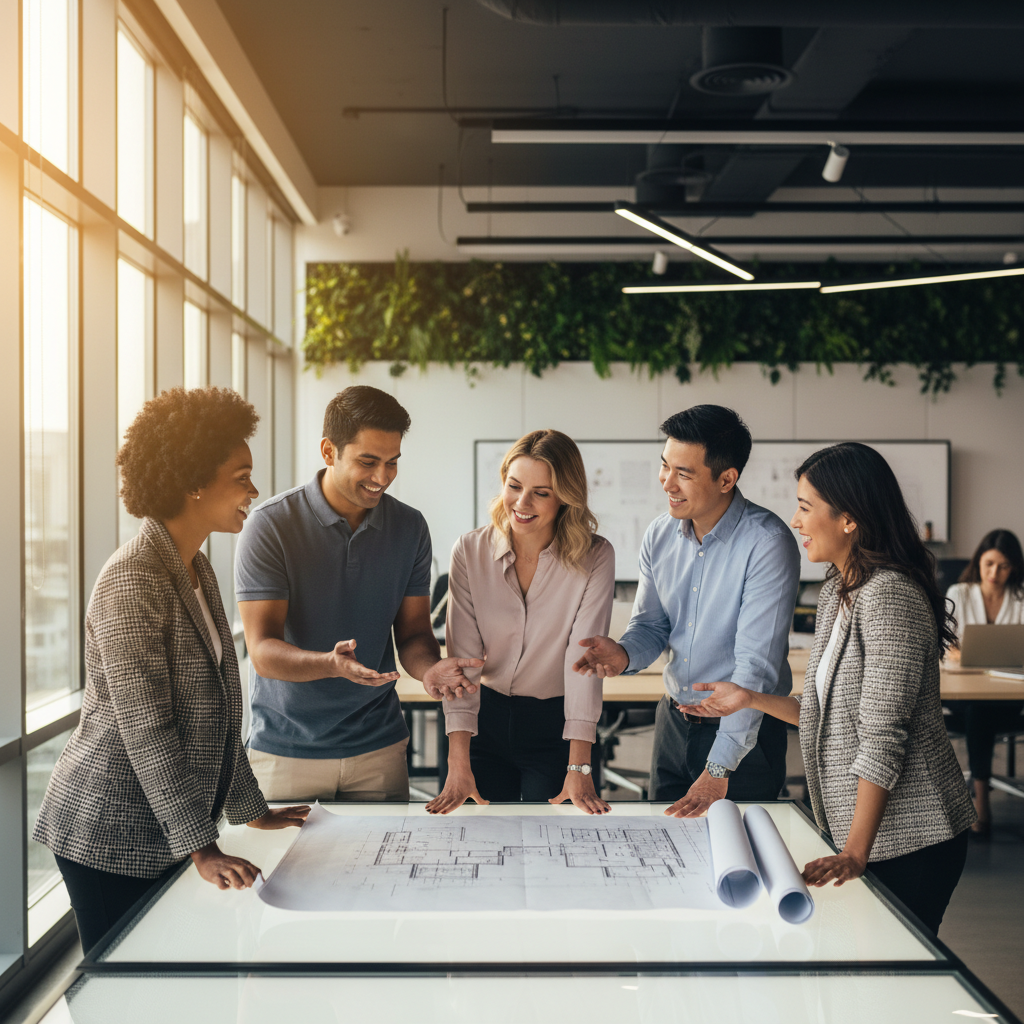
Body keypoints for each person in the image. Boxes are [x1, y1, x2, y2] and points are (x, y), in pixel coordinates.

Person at [33, 388, 309, 953]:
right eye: (241, 476)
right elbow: (148, 726)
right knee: (119, 992)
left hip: (164, 826)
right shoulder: (133, 578)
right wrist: (202, 847)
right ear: (194, 482)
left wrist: (252, 812)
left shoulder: (196, 569)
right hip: (109, 828)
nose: (253, 492)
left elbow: (215, 715)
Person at [679, 442, 975, 935]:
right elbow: (825, 715)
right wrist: (750, 698)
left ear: (849, 519)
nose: (795, 521)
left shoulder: (890, 597)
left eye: (804, 507)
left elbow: (882, 737)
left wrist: (854, 851)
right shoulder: (838, 595)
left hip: (914, 839)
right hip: (870, 838)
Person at [236, 386, 481, 803]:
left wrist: (429, 670)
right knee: (283, 870)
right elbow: (262, 651)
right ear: (329, 451)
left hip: (378, 748)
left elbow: (413, 636)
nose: (382, 477)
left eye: (392, 463)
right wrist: (330, 665)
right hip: (286, 751)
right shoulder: (271, 525)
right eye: (367, 462)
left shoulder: (409, 528)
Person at [572, 405, 800, 817]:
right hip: (674, 725)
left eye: (684, 473)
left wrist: (720, 765)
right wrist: (623, 654)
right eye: (664, 467)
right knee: (667, 857)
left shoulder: (767, 543)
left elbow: (755, 667)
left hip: (743, 737)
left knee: (740, 861)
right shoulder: (660, 534)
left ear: (727, 478)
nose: (667, 483)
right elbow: (652, 626)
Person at [426, 430, 615, 815]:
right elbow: (462, 663)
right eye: (514, 486)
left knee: (554, 846)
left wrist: (579, 765)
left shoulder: (595, 557)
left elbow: (583, 664)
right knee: (482, 845)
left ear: (566, 496)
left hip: (553, 726)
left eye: (541, 493)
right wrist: (458, 763)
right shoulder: (470, 551)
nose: (522, 503)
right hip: (484, 721)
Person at [944, 529, 1024, 837]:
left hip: (1008, 694)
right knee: (979, 710)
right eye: (989, 563)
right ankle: (982, 797)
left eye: (1004, 566)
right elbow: (944, 644)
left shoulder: (1020, 597)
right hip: (962, 691)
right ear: (979, 561)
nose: (995, 572)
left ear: (1014, 567)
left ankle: (979, 795)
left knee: (982, 712)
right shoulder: (959, 592)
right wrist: (957, 655)